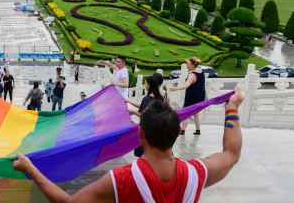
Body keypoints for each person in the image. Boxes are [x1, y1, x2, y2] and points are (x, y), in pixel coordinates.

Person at [13, 88, 245, 203]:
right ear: (176, 134)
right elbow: (231, 153)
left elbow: (69, 202)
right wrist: (232, 107)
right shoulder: (196, 174)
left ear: (140, 133)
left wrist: (31, 169)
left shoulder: (122, 180)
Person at [125, 72, 166, 157]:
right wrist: (129, 101)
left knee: (143, 153)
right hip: (157, 129)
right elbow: (144, 107)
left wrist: (132, 111)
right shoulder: (161, 96)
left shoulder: (148, 98)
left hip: (145, 130)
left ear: (150, 85)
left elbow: (144, 115)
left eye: (145, 83)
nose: (144, 85)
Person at [169, 57, 206, 135]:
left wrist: (174, 88)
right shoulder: (200, 71)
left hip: (192, 96)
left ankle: (182, 130)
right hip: (200, 96)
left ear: (193, 65)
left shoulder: (192, 75)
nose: (186, 65)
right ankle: (198, 130)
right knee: (196, 113)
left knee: (186, 112)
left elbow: (186, 85)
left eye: (188, 64)